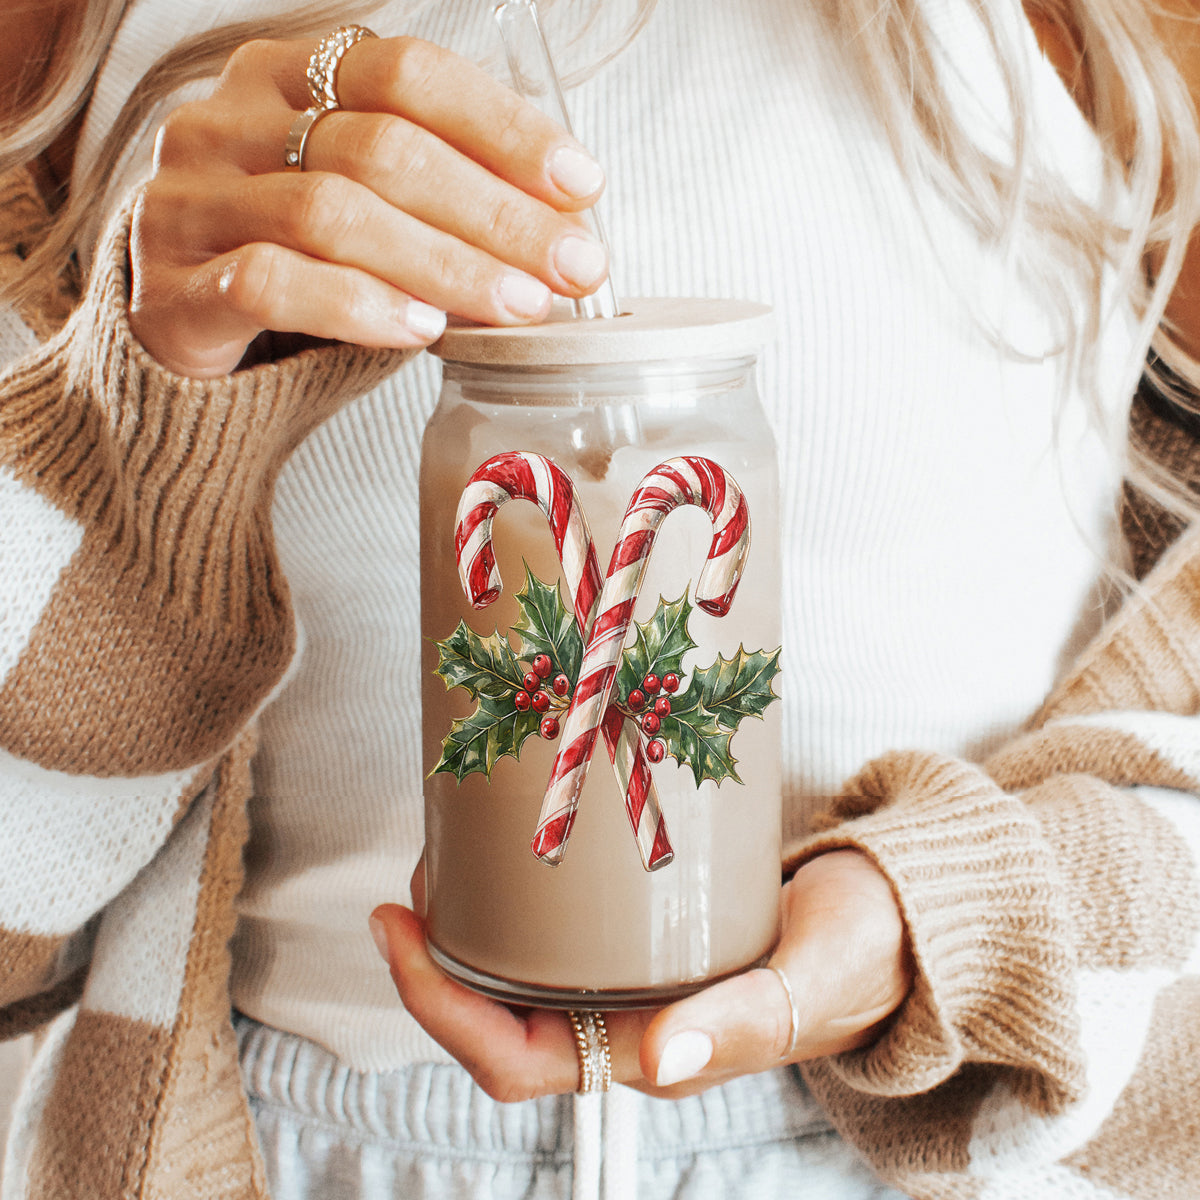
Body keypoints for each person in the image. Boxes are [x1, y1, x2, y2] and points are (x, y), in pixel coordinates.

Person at [1, 0, 1199, 1197]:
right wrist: (133, 431)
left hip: (927, 1146)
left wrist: (964, 922)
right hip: (285, 1146)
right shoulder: (96, 55)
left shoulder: (1082, 43)